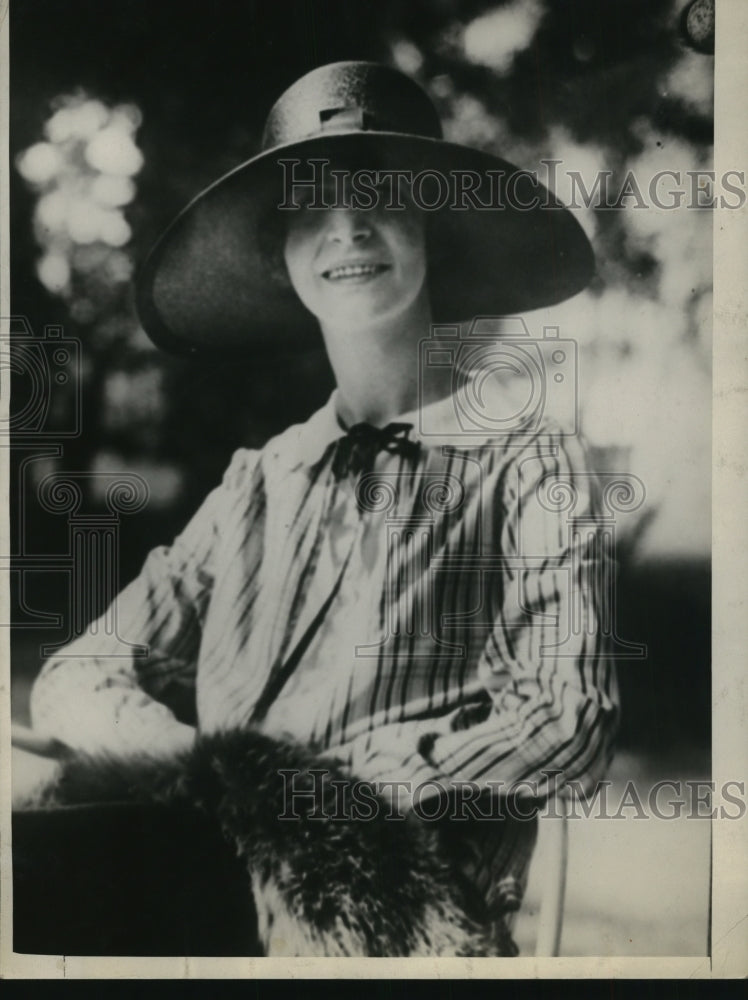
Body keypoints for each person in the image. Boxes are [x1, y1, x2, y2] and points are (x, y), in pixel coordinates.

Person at [28, 61, 619, 954]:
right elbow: (76, 675)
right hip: (204, 893)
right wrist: (207, 771)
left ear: (433, 228)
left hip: (399, 923)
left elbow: (566, 720)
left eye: (379, 192)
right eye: (310, 204)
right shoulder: (258, 484)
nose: (346, 225)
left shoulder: (529, 462)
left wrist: (326, 789)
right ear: (284, 256)